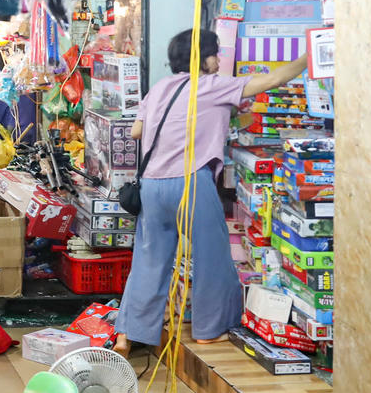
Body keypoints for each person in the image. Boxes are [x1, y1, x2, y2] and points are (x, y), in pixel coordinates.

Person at [114, 29, 309, 358]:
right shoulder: (213, 86)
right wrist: (310, 57)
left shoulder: (160, 87)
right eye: (215, 54)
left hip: (152, 186)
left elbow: (136, 130)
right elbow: (272, 79)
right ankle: (209, 330)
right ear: (202, 57)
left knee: (148, 261)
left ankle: (127, 335)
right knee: (212, 258)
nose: (219, 60)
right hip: (190, 183)